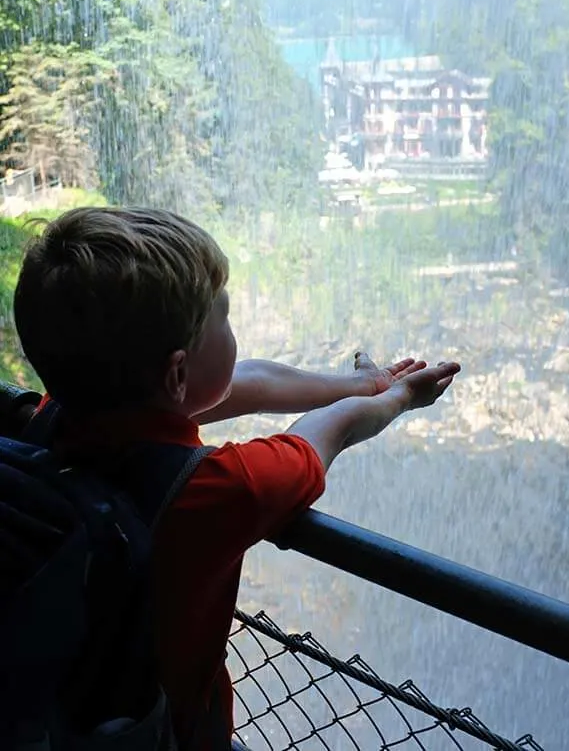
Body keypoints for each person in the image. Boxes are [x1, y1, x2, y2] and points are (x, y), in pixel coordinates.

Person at [13, 206, 461, 749]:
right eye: (223, 318)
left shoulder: (55, 416)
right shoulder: (220, 490)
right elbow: (326, 434)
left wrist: (357, 382)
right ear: (178, 373)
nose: (234, 332)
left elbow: (245, 381)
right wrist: (397, 398)